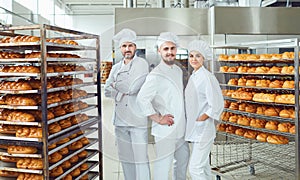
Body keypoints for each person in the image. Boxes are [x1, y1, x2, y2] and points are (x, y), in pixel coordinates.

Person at [136, 32, 190, 180]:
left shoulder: (178, 71)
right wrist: (158, 118)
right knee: (163, 165)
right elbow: (141, 99)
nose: (170, 52)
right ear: (159, 51)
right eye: (165, 49)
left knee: (183, 160)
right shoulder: (156, 75)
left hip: (180, 127)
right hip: (165, 130)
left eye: (172, 48)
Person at [104, 28, 150, 180]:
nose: (127, 49)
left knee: (140, 158)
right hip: (120, 121)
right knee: (125, 157)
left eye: (130, 45)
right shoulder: (116, 67)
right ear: (120, 49)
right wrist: (119, 89)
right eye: (124, 46)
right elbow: (106, 90)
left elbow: (131, 88)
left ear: (135, 47)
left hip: (137, 119)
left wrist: (116, 86)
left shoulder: (142, 64)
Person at [184, 39, 224, 180]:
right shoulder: (195, 75)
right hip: (195, 128)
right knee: (204, 167)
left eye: (198, 56)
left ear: (204, 58)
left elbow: (218, 103)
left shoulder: (207, 77)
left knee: (195, 168)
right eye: (191, 56)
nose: (194, 59)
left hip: (203, 129)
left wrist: (203, 117)